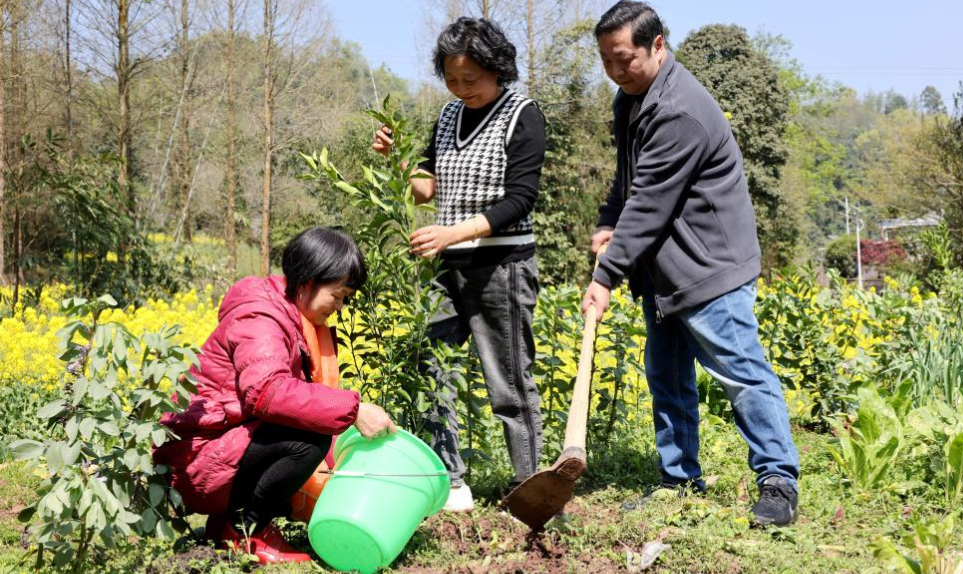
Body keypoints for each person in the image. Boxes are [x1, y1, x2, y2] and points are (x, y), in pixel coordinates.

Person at [581, 1, 801, 526]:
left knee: (741, 373)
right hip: (665, 271)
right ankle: (679, 481)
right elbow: (630, 182)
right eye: (606, 61)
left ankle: (779, 481)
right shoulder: (631, 99)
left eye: (624, 60)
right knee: (667, 376)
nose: (615, 72)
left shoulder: (679, 109)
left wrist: (605, 277)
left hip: (710, 266)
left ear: (657, 45)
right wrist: (608, 221)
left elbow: (651, 202)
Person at [371, 17, 546, 513]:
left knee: (508, 379)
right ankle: (448, 482)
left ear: (498, 69)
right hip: (447, 266)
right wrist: (395, 160)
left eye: (471, 79)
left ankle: (530, 486)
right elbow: (426, 188)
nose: (461, 88)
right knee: (433, 368)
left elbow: (520, 200)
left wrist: (452, 232)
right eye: (452, 78)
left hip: (501, 265)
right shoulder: (449, 116)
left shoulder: (523, 115)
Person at [153, 227, 397, 563]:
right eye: (337, 295)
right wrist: (353, 411)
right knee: (309, 439)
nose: (340, 307)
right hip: (191, 459)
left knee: (315, 440)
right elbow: (267, 392)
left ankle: (226, 527)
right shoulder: (261, 317)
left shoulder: (296, 320)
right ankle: (245, 531)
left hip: (220, 448)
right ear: (308, 281)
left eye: (346, 298)